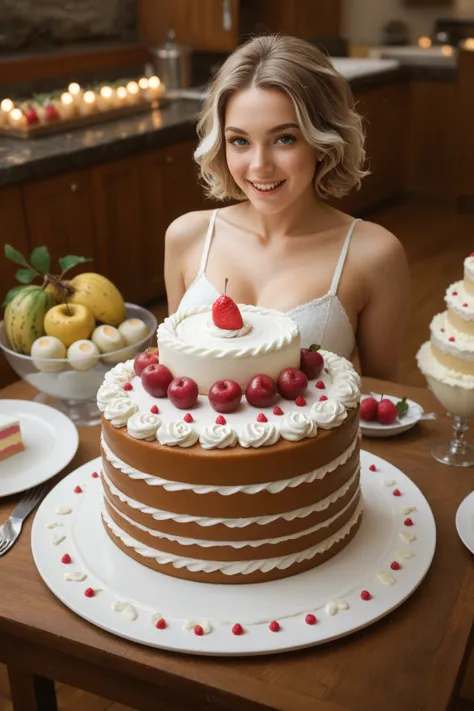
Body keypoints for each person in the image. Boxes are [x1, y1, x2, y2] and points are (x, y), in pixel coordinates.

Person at [164, 34, 410, 381]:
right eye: (240, 141)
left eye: (284, 139)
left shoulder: (373, 254)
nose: (260, 165)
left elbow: (381, 396)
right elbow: (176, 373)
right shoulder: (186, 237)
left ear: (322, 141)